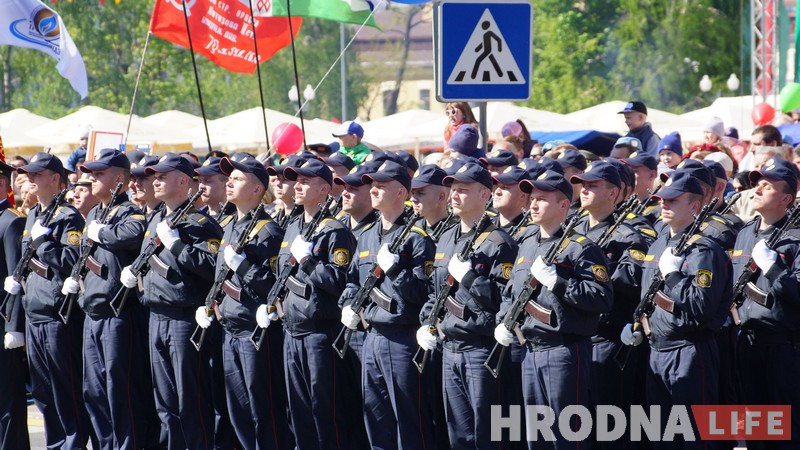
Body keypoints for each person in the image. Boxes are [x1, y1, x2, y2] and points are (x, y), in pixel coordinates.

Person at [495, 170, 613, 450]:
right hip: (530, 350)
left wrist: (558, 283)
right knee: (537, 438)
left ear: (563, 205)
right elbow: (511, 291)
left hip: (564, 351)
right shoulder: (527, 244)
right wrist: (503, 320)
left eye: (542, 199)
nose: (533, 204)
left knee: (567, 435)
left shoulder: (581, 249)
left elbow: (601, 298)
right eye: (532, 198)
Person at [620, 170, 732, 449]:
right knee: (663, 437)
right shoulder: (660, 243)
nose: (664, 204)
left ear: (695, 206)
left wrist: (673, 277)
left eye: (673, 200)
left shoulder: (703, 250)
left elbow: (701, 306)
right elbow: (648, 293)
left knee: (695, 436)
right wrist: (639, 322)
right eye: (663, 200)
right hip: (657, 349)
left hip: (690, 351)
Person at [120, 152, 222, 449]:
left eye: (163, 177)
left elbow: (212, 267)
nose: (156, 181)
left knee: (191, 400)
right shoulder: (157, 219)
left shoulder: (200, 223)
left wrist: (177, 245)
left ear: (182, 182)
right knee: (165, 403)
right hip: (157, 316)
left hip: (184, 318)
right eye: (155, 176)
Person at [195, 153, 292, 450]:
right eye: (229, 178)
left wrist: (245, 267)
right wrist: (210, 303)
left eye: (237, 179)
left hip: (255, 333)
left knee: (263, 411)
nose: (229, 183)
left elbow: (276, 284)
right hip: (230, 331)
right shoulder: (231, 227)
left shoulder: (268, 231)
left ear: (257, 189)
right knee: (238, 411)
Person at [418, 162, 517, 449]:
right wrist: (427, 322)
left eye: (463, 190)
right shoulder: (447, 237)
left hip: (480, 349)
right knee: (458, 435)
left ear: (485, 194)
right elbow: (435, 290)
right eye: (453, 189)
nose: (455, 195)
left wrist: (471, 278)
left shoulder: (499, 243)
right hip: (449, 347)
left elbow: (504, 299)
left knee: (488, 434)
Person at [261, 158, 357, 450]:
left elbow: (341, 283)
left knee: (326, 413)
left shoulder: (334, 231)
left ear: (324, 189)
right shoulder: (293, 226)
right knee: (299, 413)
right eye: (297, 181)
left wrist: (309, 261)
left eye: (305, 182)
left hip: (320, 333)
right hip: (292, 331)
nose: (297, 186)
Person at [340, 160, 435, 449]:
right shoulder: (368, 235)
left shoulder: (417, 239)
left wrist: (395, 270)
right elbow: (352, 280)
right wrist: (348, 303)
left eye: (382, 185)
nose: (374, 190)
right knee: (376, 419)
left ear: (401, 193)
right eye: (373, 185)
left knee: (408, 421)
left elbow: (423, 293)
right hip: (371, 336)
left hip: (402, 338)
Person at [61, 148, 149, 450]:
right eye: (92, 173)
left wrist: (103, 233)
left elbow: (133, 233)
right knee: (94, 391)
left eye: (100, 174)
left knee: (120, 390)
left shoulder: (129, 211)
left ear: (119, 179)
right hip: (92, 312)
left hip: (117, 314)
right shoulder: (95, 213)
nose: (92, 179)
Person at [5, 152, 92, 448]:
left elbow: (73, 261)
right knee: (43, 393)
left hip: (57, 316)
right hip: (34, 313)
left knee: (65, 390)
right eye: (28, 173)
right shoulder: (33, 215)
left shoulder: (68, 217)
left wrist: (44, 244)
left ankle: (72, 444)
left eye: (37, 174)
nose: (29, 178)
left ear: (55, 179)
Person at [569, 161, 651, 450]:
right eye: (583, 185)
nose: (584, 190)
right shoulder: (572, 229)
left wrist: (586, 277)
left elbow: (629, 281)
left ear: (613, 193)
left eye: (593, 186)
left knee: (609, 420)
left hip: (608, 336)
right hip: (576, 335)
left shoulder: (628, 236)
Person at [730, 157, 800, 450]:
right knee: (756, 430)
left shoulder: (796, 238)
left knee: (784, 433)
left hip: (783, 347)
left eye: (767, 185)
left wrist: (773, 269)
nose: (757, 189)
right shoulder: (745, 232)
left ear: (785, 198)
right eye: (757, 183)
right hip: (747, 342)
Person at [0, 159, 30, 450]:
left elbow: (16, 277)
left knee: (7, 398)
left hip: (2, 324)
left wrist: (13, 326)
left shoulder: (11, 221)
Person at [410, 165, 457, 241]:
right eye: (412, 193)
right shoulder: (413, 228)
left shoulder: (455, 233)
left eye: (420, 193)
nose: (412, 199)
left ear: (441, 197)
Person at [267, 154, 306, 226]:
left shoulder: (305, 220)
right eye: (278, 178)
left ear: (300, 182)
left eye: (285, 179)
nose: (278, 183)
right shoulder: (277, 217)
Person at [196, 156, 234, 223]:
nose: (201, 186)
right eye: (199, 181)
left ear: (226, 184)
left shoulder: (235, 218)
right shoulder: (198, 216)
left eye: (207, 180)